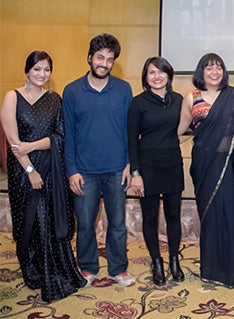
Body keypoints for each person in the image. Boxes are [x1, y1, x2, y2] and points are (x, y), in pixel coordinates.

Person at [0, 51, 86, 302]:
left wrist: (33, 146)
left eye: (47, 69)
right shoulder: (12, 97)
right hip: (22, 171)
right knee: (29, 220)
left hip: (52, 169)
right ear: (27, 70)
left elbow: (60, 137)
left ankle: (54, 270)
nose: (42, 74)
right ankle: (33, 271)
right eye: (37, 69)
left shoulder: (54, 99)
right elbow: (14, 143)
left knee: (49, 220)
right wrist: (30, 170)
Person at [62, 34, 135, 287]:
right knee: (85, 225)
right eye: (100, 57)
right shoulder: (71, 91)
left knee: (117, 224)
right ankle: (87, 267)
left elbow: (129, 131)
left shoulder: (124, 89)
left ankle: (118, 268)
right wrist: (71, 170)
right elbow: (68, 134)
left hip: (117, 170)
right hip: (84, 171)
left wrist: (128, 164)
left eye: (110, 59)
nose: (104, 63)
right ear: (90, 58)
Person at [177, 53, 234, 288]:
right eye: (209, 68)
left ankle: (232, 269)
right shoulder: (191, 98)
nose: (214, 72)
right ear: (201, 72)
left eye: (219, 67)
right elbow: (179, 130)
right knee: (209, 214)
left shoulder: (233, 96)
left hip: (228, 164)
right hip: (204, 163)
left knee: (230, 213)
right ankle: (211, 268)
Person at [127, 57, 184, 286]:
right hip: (147, 167)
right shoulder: (137, 103)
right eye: (152, 72)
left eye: (161, 72)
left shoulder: (179, 100)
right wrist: (136, 173)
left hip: (172, 164)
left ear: (169, 76)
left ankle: (173, 261)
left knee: (173, 217)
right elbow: (131, 140)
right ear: (145, 77)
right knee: (150, 218)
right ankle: (157, 262)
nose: (157, 77)